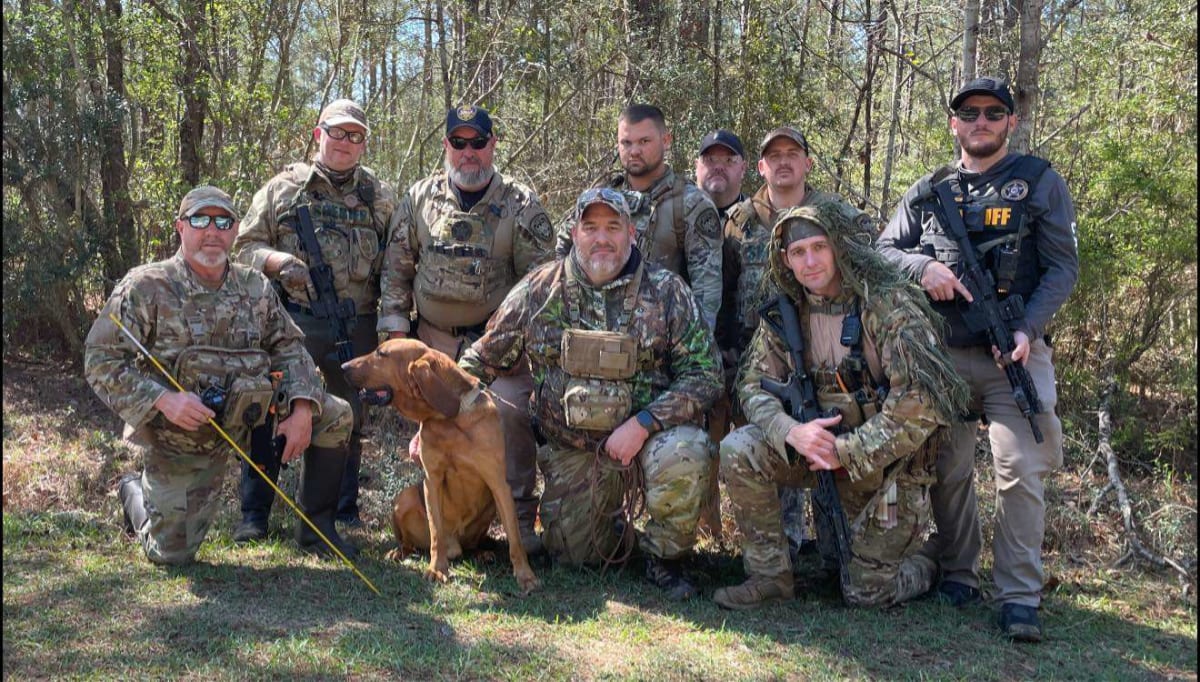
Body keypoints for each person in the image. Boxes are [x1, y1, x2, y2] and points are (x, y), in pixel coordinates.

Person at [876, 76, 1078, 642]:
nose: (981, 121)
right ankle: (959, 573)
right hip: (943, 356)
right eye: (970, 113)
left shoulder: (1038, 182)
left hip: (1013, 351)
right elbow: (883, 249)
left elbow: (1063, 268)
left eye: (993, 112)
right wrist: (925, 269)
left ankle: (1019, 597)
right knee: (949, 467)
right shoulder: (928, 188)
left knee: (1020, 470)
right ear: (953, 123)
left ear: (1010, 121)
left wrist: (1027, 328)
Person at [461, 188, 722, 599]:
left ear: (631, 233)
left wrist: (644, 423)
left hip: (650, 443)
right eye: (591, 227)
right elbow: (480, 360)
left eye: (613, 227)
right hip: (574, 452)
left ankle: (665, 559)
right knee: (572, 554)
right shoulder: (539, 289)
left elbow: (706, 374)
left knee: (687, 451)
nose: (602, 238)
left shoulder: (667, 291)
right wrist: (438, 417)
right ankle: (617, 534)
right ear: (574, 232)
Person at [713, 201, 969, 610]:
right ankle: (770, 577)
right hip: (816, 457)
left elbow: (922, 401)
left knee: (864, 592)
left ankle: (932, 558)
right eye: (798, 252)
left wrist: (845, 451)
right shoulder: (785, 311)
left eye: (819, 247)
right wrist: (790, 431)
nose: (810, 261)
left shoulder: (887, 305)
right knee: (739, 448)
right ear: (785, 259)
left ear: (839, 247)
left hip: (887, 470)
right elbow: (751, 386)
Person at [84, 185, 355, 565]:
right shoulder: (146, 287)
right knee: (171, 554)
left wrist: (303, 405)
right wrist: (163, 399)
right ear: (181, 227)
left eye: (223, 221)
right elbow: (101, 359)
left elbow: (289, 347)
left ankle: (317, 532)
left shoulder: (255, 286)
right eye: (200, 220)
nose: (211, 231)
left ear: (234, 229)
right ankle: (134, 492)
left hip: (254, 414)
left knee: (337, 413)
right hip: (183, 429)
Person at [377, 104, 555, 553]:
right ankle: (443, 528)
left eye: (478, 142)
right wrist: (395, 341)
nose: (468, 152)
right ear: (447, 147)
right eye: (459, 143)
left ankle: (518, 518)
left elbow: (540, 284)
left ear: (493, 145)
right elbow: (396, 272)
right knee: (429, 432)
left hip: (498, 344)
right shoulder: (419, 198)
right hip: (430, 343)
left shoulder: (520, 203)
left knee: (511, 416)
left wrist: (508, 348)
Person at [231, 98, 395, 543]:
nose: (344, 142)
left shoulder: (380, 198)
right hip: (292, 322)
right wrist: (277, 261)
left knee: (350, 416)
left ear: (364, 143)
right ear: (317, 133)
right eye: (336, 132)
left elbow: (396, 266)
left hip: (355, 325)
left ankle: (339, 510)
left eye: (355, 135)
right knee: (270, 409)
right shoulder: (283, 189)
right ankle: (255, 513)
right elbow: (242, 249)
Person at [716, 126, 870, 565]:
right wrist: (726, 349)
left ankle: (826, 546)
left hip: (824, 352)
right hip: (757, 355)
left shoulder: (834, 215)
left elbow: (867, 276)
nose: (783, 162)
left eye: (792, 153)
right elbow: (725, 290)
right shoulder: (741, 220)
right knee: (770, 445)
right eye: (773, 156)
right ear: (760, 167)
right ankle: (780, 544)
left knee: (822, 440)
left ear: (807, 163)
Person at [556, 104, 723, 332]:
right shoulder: (602, 195)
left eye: (644, 142)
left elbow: (706, 292)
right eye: (626, 143)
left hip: (659, 339)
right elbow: (560, 258)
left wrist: (696, 350)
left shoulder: (690, 204)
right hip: (594, 335)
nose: (634, 151)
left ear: (666, 141)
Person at [695, 129, 748, 222]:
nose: (718, 167)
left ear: (743, 169)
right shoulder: (673, 216)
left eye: (729, 160)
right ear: (696, 166)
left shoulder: (760, 220)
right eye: (710, 159)